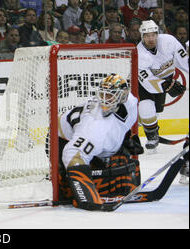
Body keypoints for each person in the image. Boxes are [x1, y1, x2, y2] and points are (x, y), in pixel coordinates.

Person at [58, 74, 142, 210]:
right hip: (61, 139)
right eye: (102, 94)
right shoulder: (94, 126)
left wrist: (124, 138)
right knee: (66, 185)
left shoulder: (131, 102)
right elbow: (73, 155)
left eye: (109, 95)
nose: (104, 100)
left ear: (123, 96)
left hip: (90, 137)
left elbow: (121, 123)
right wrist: (88, 199)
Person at [137, 20, 188, 151]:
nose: (151, 38)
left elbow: (183, 60)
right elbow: (147, 80)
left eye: (153, 35)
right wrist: (166, 85)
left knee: (157, 111)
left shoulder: (169, 41)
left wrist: (167, 83)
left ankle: (146, 123)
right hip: (144, 84)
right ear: (142, 36)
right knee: (146, 107)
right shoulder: (140, 53)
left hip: (165, 79)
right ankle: (152, 136)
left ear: (157, 34)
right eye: (147, 36)